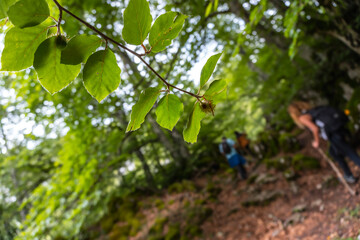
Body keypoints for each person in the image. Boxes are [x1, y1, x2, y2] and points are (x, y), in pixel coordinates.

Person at [288, 101, 360, 183]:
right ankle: (348, 175)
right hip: (339, 128)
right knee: (333, 152)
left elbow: (315, 129)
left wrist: (316, 142)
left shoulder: (302, 117)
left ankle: (349, 175)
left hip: (333, 134)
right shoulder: (313, 111)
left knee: (350, 152)